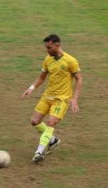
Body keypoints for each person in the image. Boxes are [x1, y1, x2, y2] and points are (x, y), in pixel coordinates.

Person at [21, 34, 82, 164]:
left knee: (51, 122)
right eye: (46, 48)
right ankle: (53, 140)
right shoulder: (48, 59)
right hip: (47, 96)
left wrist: (74, 99)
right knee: (34, 121)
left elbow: (79, 79)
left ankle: (39, 152)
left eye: (49, 47)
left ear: (57, 45)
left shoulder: (70, 61)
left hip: (61, 99)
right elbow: (42, 77)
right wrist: (31, 88)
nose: (47, 50)